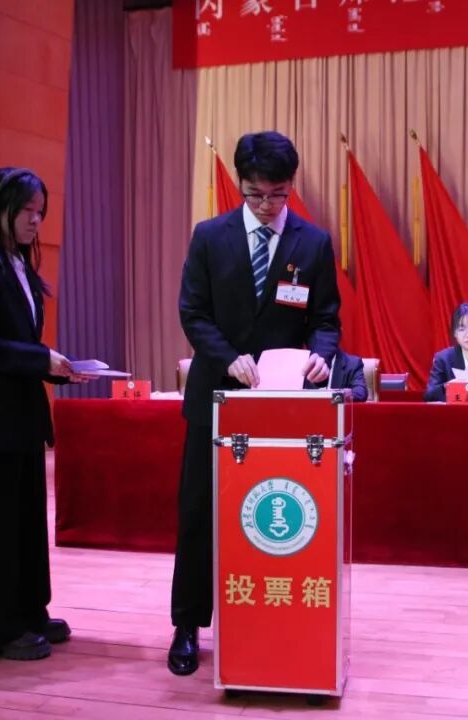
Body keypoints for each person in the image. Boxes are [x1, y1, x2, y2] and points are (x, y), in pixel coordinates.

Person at [170, 131, 341, 675]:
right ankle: (187, 625)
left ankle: (276, 617)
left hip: (283, 404)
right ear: (239, 185)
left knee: (278, 511)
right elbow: (193, 313)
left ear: (291, 186)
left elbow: (326, 319)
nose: (267, 206)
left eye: (278, 195)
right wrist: (228, 358)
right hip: (216, 399)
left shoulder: (312, 244)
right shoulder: (210, 237)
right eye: (255, 194)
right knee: (199, 513)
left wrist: (321, 356)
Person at [0, 167, 83, 661]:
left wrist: (57, 369)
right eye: (26, 210)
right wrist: (40, 359)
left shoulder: (18, 265)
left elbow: (21, 346)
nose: (35, 220)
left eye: (40, 211)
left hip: (20, 418)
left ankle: (29, 611)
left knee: (26, 523)